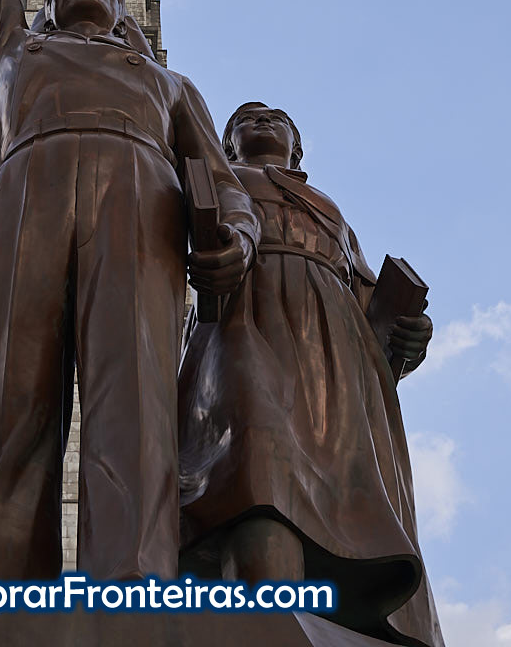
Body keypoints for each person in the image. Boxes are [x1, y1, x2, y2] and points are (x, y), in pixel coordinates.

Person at [0, 0, 257, 580]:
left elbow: (222, 178)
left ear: (125, 11)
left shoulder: (169, 83)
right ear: (45, 5)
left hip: (141, 209)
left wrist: (236, 237)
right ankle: (3, 593)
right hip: (25, 201)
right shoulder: (8, 51)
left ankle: (133, 585)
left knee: (135, 406)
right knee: (11, 404)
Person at [176, 101, 444, 647]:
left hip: (332, 343)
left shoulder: (327, 208)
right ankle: (262, 604)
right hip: (242, 315)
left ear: (297, 149)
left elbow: (366, 294)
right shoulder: (216, 178)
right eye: (245, 119)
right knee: (250, 451)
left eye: (276, 117)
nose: (262, 121)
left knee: (347, 478)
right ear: (227, 143)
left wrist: (408, 332)